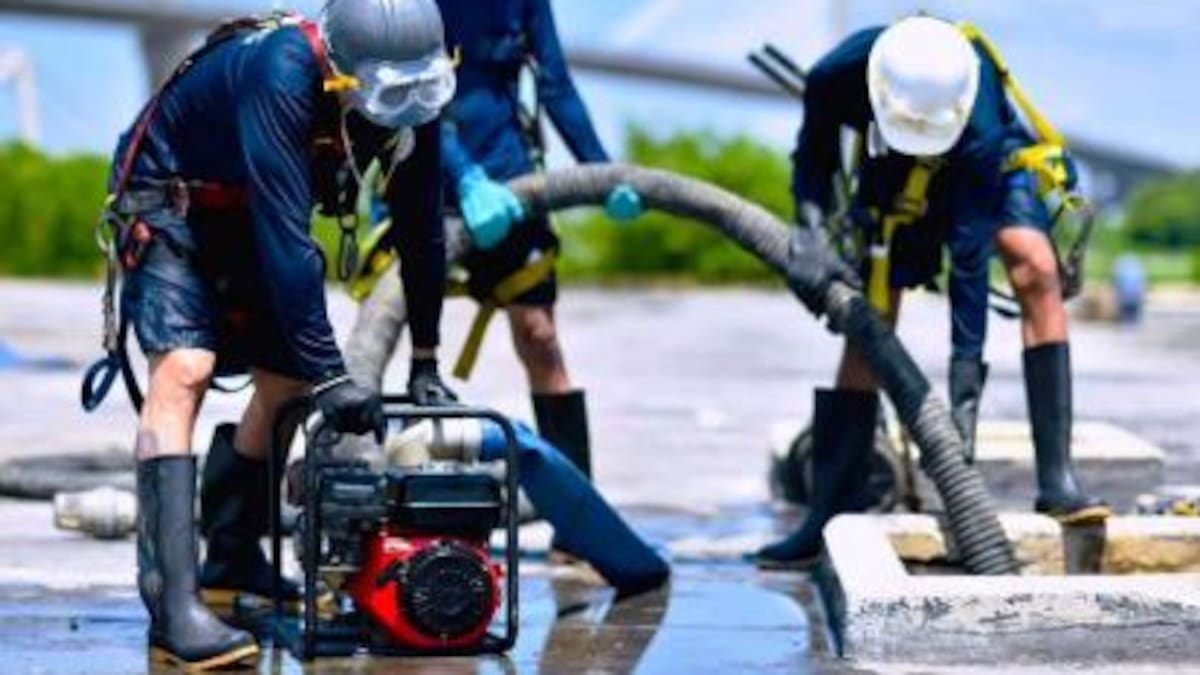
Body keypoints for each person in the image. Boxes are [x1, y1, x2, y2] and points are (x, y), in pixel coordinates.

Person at [108, 0, 457, 668]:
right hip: (170, 197)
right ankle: (173, 608)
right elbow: (287, 238)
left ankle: (233, 555)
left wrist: (425, 359)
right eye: (388, 95)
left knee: (287, 378)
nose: (405, 108)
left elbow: (422, 230)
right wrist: (334, 376)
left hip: (245, 208)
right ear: (341, 71)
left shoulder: (412, 93)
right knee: (185, 367)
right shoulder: (281, 71)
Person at [757, 16, 1109, 568]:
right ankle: (828, 509)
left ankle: (1058, 482)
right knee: (871, 313)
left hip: (987, 167)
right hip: (891, 167)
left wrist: (962, 405)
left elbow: (969, 262)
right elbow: (813, 157)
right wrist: (809, 231)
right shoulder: (837, 76)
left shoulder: (977, 101)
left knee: (1035, 267)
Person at [434, 0, 643, 480]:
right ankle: (348, 472)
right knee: (387, 328)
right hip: (426, 182)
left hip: (513, 181)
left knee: (540, 336)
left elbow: (556, 86)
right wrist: (464, 177)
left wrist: (601, 171)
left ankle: (576, 504)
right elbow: (409, 102)